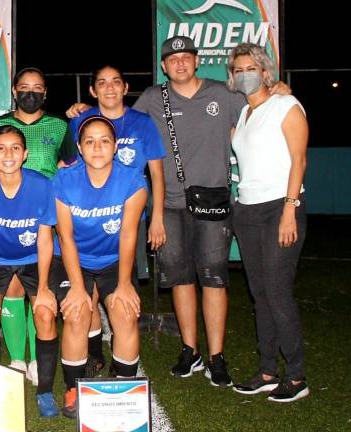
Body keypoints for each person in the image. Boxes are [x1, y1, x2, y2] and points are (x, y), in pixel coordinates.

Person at [129, 36, 291, 387]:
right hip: (170, 204)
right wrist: (82, 112)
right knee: (181, 279)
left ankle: (217, 356)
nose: (181, 64)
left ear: (198, 61)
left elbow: (260, 109)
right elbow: (120, 125)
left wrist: (279, 90)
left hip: (214, 201)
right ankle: (191, 350)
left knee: (214, 278)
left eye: (187, 57)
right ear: (163, 66)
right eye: (173, 59)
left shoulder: (225, 93)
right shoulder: (152, 98)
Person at [66, 64, 167, 375]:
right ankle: (94, 355)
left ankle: (121, 373)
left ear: (125, 88)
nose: (109, 88)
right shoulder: (80, 120)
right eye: (101, 83)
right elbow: (68, 164)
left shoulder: (141, 122)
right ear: (93, 90)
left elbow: (156, 175)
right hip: (86, 220)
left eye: (116, 82)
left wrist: (157, 217)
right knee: (87, 299)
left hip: (126, 217)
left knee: (123, 295)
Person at [226, 43, 310, 402]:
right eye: (238, 68)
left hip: (280, 208)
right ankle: (267, 371)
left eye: (250, 67)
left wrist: (290, 209)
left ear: (264, 70)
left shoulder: (285, 105)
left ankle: (297, 375)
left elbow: (298, 160)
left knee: (276, 292)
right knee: (259, 295)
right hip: (247, 210)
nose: (244, 73)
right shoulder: (245, 114)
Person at [53, 116, 146, 418]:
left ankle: (124, 386)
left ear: (115, 147)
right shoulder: (64, 180)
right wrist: (79, 288)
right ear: (79, 148)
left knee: (125, 311)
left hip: (113, 260)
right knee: (78, 313)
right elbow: (65, 237)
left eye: (105, 140)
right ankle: (72, 389)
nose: (97, 147)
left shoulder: (132, 180)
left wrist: (123, 284)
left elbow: (129, 234)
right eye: (89, 141)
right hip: (74, 259)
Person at [0, 67, 77, 384]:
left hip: (47, 219)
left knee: (39, 287)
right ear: (14, 90)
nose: (30, 92)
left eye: (37, 88)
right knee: (12, 284)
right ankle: (16, 357)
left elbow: (68, 170)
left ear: (45, 93)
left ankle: (39, 360)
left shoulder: (59, 125)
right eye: (24, 87)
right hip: (9, 218)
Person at [0, 125, 59, 416]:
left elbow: (46, 239)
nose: (8, 154)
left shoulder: (42, 185)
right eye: (1, 148)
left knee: (44, 312)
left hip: (34, 258)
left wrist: (44, 288)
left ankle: (44, 390)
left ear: (25, 154)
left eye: (15, 148)